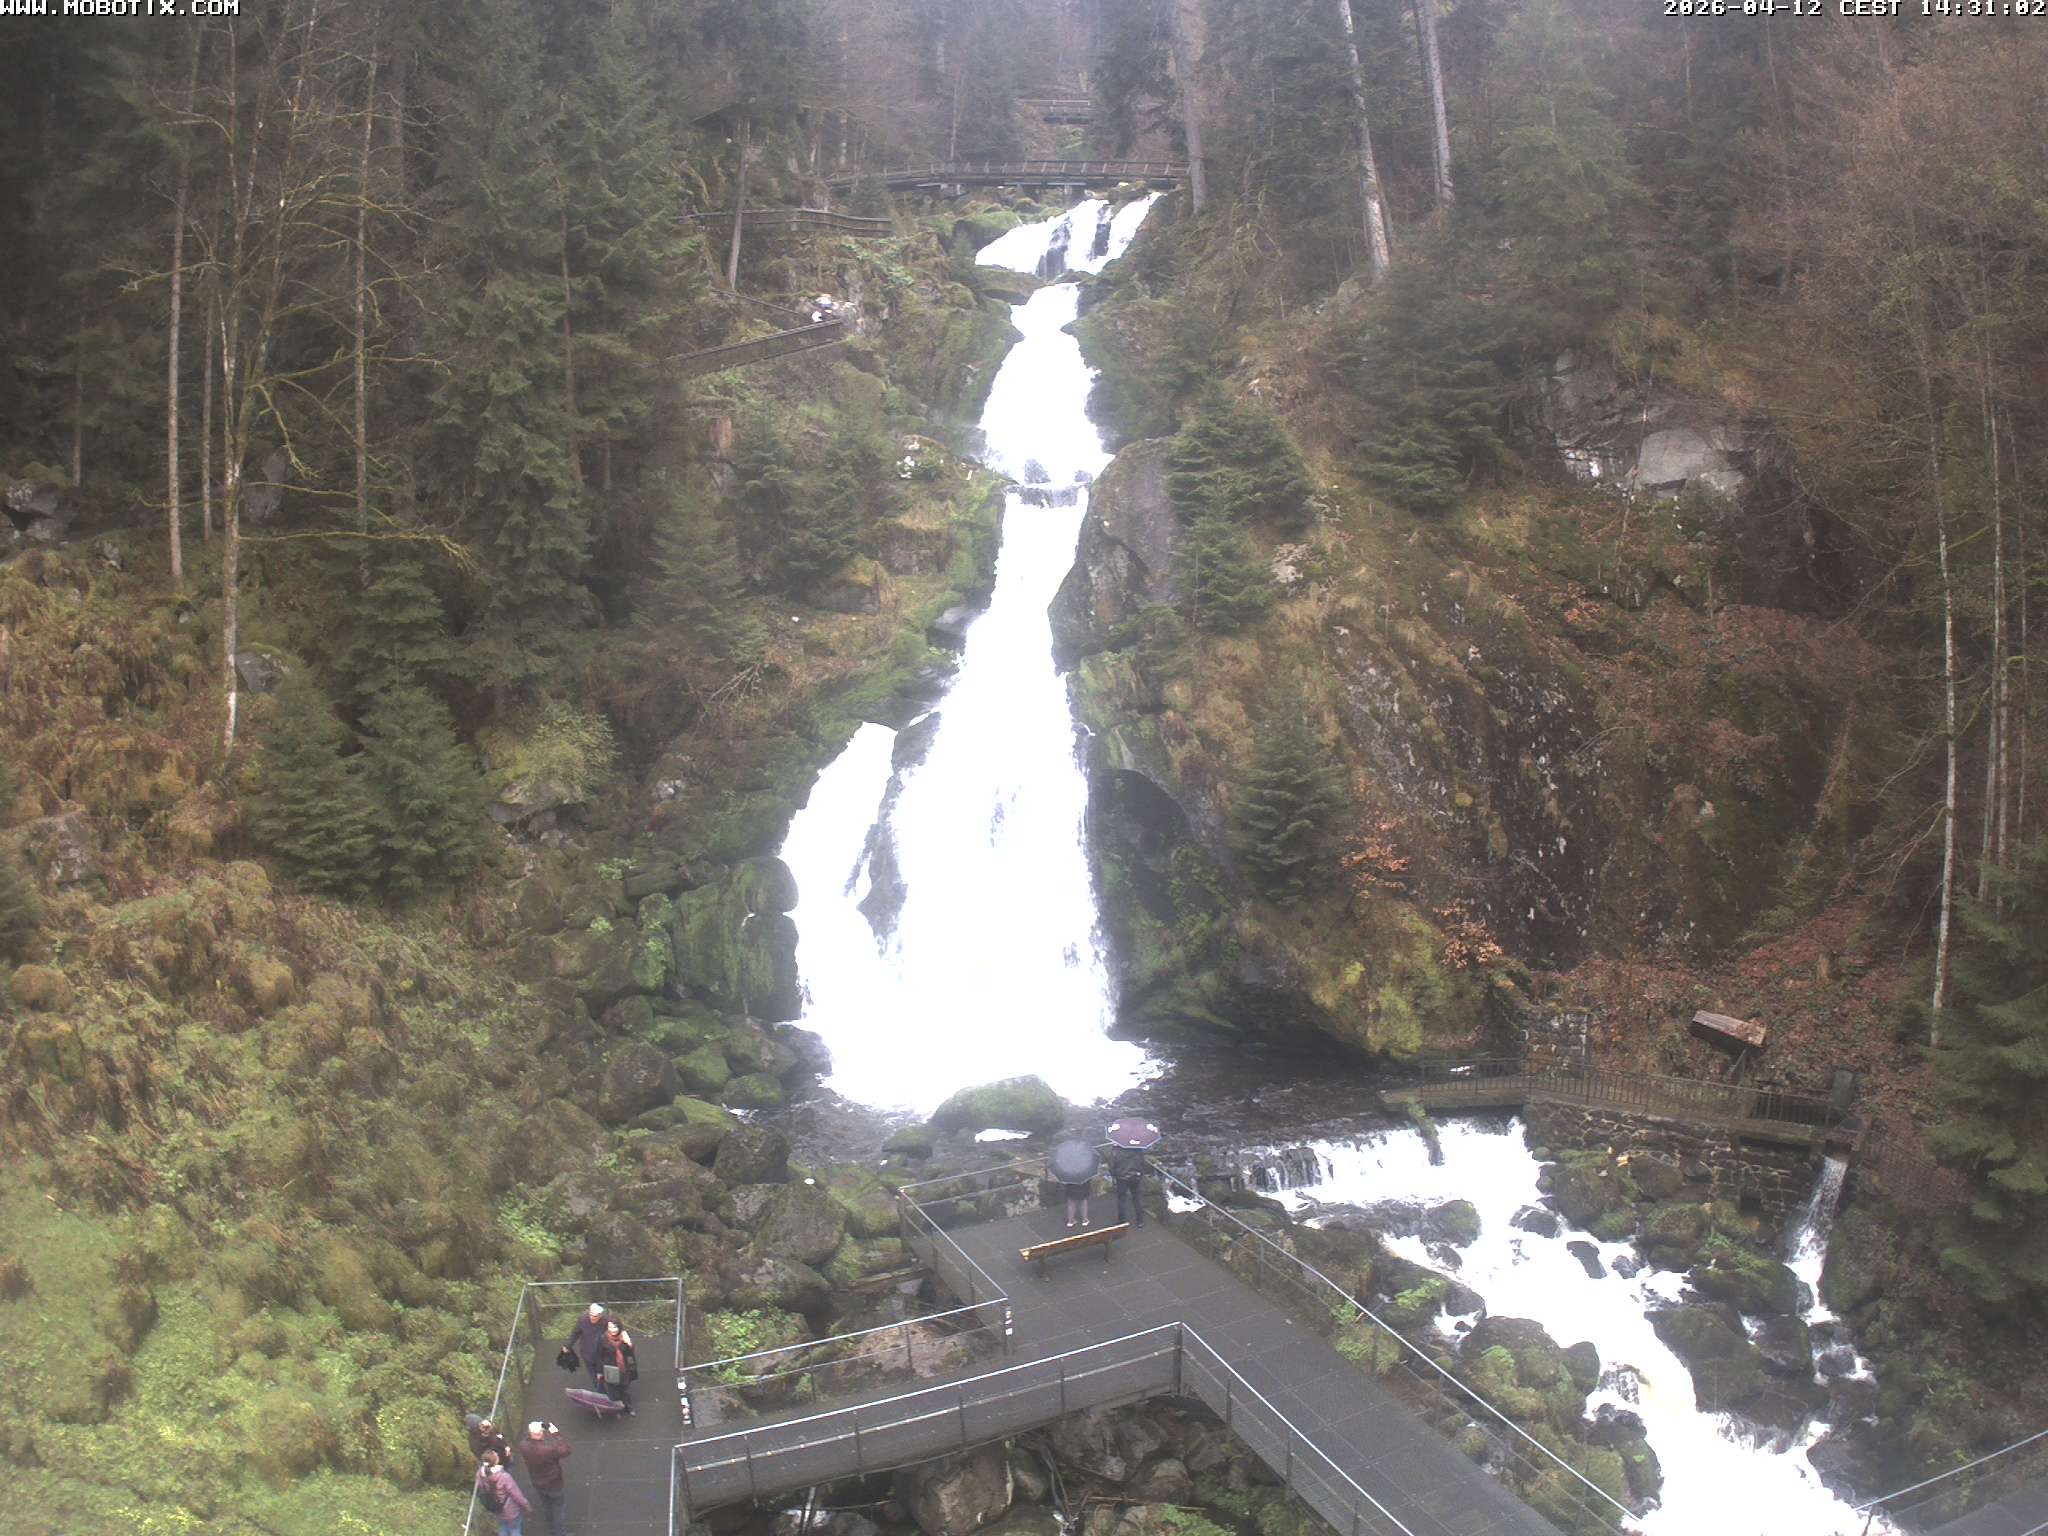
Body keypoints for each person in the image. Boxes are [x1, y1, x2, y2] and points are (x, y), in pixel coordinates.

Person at [518, 1420, 573, 1536]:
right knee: (558, 1508)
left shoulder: (523, 1446)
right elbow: (566, 1450)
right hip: (554, 1483)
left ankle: (551, 1524)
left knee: (546, 1504)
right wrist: (556, 1434)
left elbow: (528, 1438)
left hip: (537, 1482)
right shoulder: (547, 1450)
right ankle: (560, 1533)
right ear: (541, 1434)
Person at [477, 1449, 530, 1536]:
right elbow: (516, 1494)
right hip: (510, 1510)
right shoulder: (504, 1477)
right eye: (496, 1455)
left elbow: (481, 1486)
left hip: (497, 1509)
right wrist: (526, 1505)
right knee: (515, 1530)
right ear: (496, 1460)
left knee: (503, 1527)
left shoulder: (480, 1474)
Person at [563, 1303, 610, 1396]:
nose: (592, 1318)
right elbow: (576, 1333)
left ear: (600, 1316)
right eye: (591, 1315)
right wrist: (568, 1346)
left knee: (602, 1373)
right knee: (593, 1374)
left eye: (595, 1316)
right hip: (587, 1351)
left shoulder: (605, 1321)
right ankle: (602, 1394)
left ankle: (607, 1390)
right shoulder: (583, 1319)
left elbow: (613, 1330)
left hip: (601, 1352)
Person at [596, 1316, 638, 1413]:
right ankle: (616, 1408)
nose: (612, 1330)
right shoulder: (603, 1339)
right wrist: (599, 1371)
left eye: (615, 1327)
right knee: (613, 1390)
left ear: (619, 1327)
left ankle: (628, 1407)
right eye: (610, 1327)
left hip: (623, 1367)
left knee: (625, 1389)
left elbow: (630, 1354)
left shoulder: (623, 1337)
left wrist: (628, 1343)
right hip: (610, 1367)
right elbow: (599, 1356)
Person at [1111, 1142, 1149, 1228]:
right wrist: (1140, 1174)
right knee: (1137, 1199)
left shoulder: (1117, 1151)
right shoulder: (1137, 1150)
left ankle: (1122, 1221)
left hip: (1121, 1178)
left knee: (1121, 1200)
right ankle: (1140, 1221)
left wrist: (1114, 1174)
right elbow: (1142, 1163)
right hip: (1136, 1177)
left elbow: (1113, 1165)